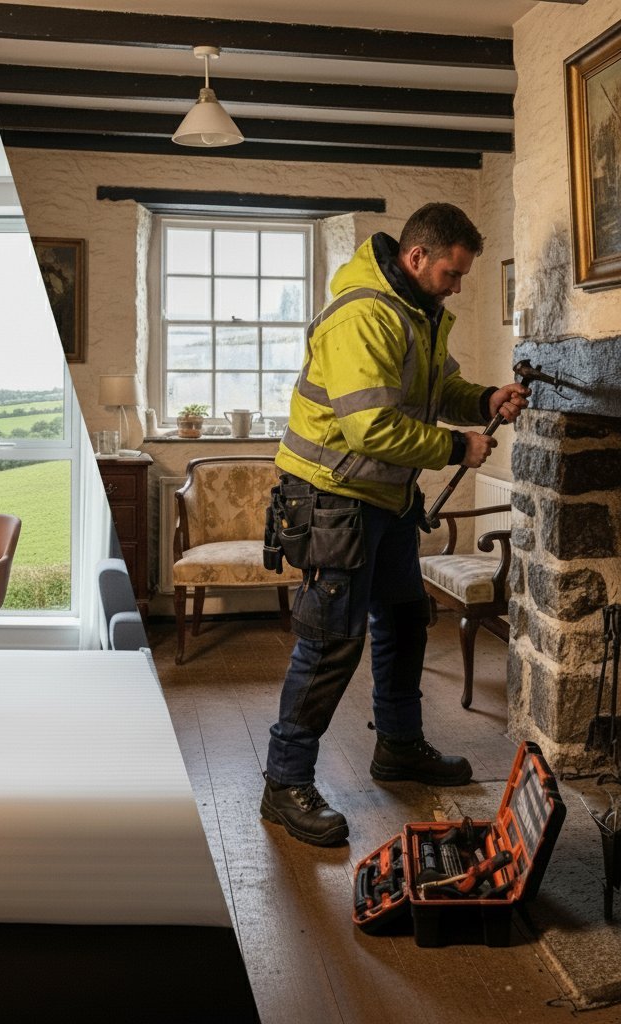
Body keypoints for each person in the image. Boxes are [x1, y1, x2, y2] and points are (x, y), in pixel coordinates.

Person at [260, 203, 529, 847]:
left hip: (383, 499)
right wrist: (454, 448)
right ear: (415, 259)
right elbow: (370, 426)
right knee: (331, 642)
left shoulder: (417, 312)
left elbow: (438, 389)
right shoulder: (364, 314)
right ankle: (284, 781)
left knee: (406, 619)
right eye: (451, 272)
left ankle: (400, 745)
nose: (457, 285)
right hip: (332, 497)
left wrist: (484, 399)